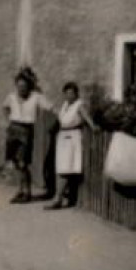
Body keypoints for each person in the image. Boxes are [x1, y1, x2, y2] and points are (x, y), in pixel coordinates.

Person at [2, 66, 51, 204]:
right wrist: (7, 121)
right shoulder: (11, 96)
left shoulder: (36, 97)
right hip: (13, 129)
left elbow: (50, 107)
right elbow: (5, 107)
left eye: (24, 86)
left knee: (23, 163)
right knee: (16, 163)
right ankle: (20, 190)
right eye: (19, 86)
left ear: (29, 86)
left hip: (26, 130)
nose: (21, 89)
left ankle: (27, 192)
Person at [47, 82, 94, 210]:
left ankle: (58, 198)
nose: (69, 95)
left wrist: (94, 127)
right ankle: (59, 197)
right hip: (63, 136)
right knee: (60, 167)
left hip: (72, 137)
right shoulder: (65, 105)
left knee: (65, 168)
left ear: (76, 93)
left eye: (71, 93)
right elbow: (60, 118)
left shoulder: (79, 105)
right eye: (67, 93)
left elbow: (86, 117)